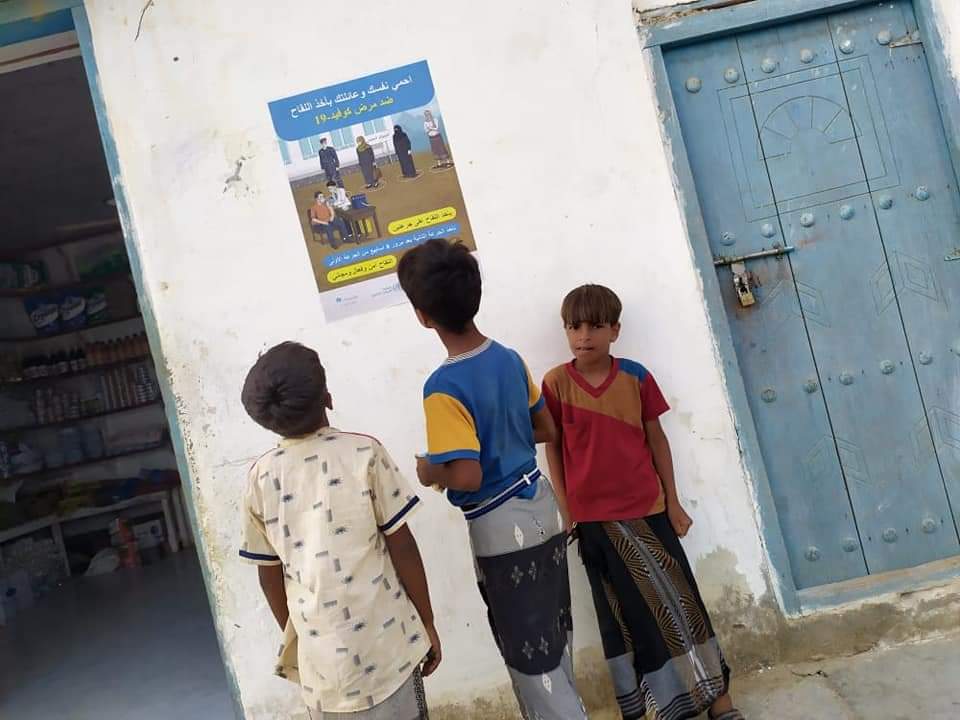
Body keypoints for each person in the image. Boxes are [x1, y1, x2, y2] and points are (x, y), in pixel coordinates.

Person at [397, 239, 587, 720]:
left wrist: (429, 469)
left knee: (530, 658)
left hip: (502, 527)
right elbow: (545, 429)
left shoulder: (443, 387)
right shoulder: (508, 358)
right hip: (541, 507)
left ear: (423, 316)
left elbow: (466, 473)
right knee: (554, 641)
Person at [542, 285, 743, 720]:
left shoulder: (636, 377)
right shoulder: (556, 384)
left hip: (648, 512)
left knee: (682, 605)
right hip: (594, 523)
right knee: (623, 618)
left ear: (615, 330)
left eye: (595, 326)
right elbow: (553, 448)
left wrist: (673, 502)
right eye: (574, 327)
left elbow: (657, 439)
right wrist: (566, 508)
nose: (583, 336)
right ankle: (657, 710)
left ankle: (719, 700)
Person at [239, 342, 441, 720]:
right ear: (327, 398)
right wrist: (426, 621)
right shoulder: (365, 453)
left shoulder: (260, 478)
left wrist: (305, 640)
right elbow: (403, 547)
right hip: (390, 648)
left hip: (324, 670)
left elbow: (268, 577)